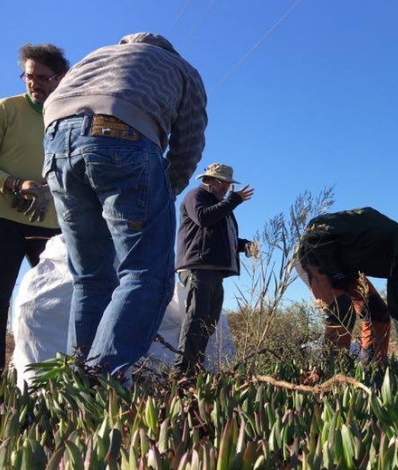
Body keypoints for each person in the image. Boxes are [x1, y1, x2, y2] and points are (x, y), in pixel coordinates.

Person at [42, 33, 208, 379]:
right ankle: (103, 384)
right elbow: (188, 144)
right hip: (122, 137)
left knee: (90, 278)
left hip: (56, 142)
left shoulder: (97, 54)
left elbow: (55, 100)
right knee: (147, 274)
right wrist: (164, 192)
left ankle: (75, 389)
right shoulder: (181, 68)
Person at [0, 43, 69, 369]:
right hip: (5, 220)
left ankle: (53, 376)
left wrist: (53, 190)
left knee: (56, 303)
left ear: (61, 78)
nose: (34, 83)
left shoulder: (68, 117)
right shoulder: (7, 110)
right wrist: (17, 184)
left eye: (43, 77)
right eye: (29, 76)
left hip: (54, 227)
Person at [295, 207, 398, 362]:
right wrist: (334, 271)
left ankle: (374, 370)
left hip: (346, 270)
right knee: (343, 309)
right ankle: (331, 370)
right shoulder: (374, 226)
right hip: (315, 255)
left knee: (379, 315)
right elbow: (316, 227)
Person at [174, 163, 255, 375]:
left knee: (209, 321)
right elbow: (203, 218)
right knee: (197, 318)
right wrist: (233, 201)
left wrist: (243, 245)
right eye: (224, 184)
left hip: (213, 270)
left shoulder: (220, 205)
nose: (228, 188)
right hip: (198, 267)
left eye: (229, 185)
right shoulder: (196, 196)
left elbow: (219, 237)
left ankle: (195, 367)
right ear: (211, 181)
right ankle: (182, 372)